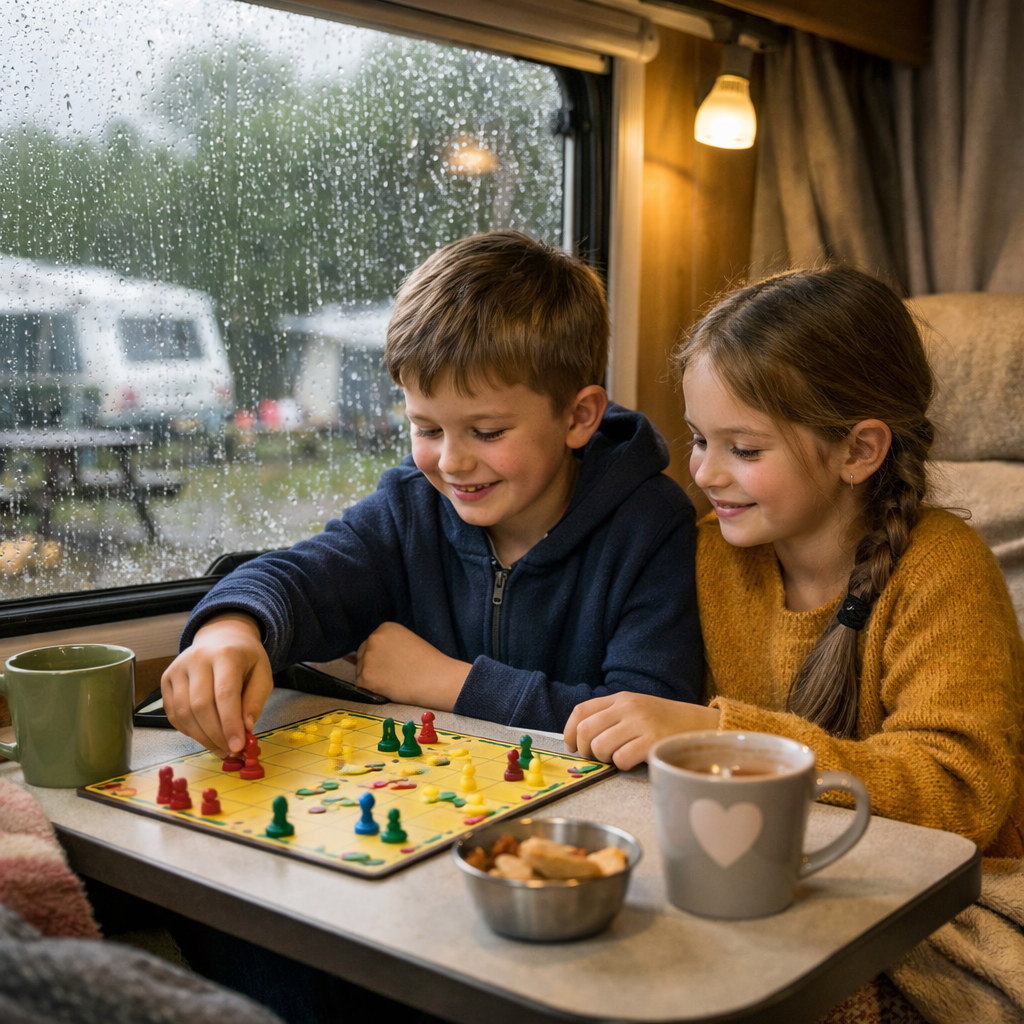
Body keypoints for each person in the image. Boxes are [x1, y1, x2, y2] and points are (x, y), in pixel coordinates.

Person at [564, 266, 1024, 1022]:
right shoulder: (717, 555)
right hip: (784, 874)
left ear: (858, 451)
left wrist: (725, 734)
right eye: (700, 439)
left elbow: (961, 792)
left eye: (743, 449)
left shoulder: (943, 570)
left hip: (939, 897)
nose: (705, 471)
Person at [163, 230, 702, 757]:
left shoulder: (651, 525)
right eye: (427, 429)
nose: (450, 462)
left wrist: (449, 683)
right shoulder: (409, 507)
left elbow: (645, 718)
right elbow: (297, 577)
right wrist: (230, 629)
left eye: (487, 432)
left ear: (579, 416)